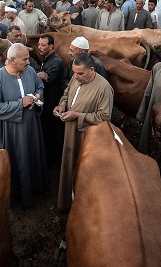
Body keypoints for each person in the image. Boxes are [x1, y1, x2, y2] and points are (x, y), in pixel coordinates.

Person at [0, 43, 49, 208]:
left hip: (32, 128)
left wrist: (37, 96)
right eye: (25, 59)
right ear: (12, 60)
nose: (29, 62)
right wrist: (19, 104)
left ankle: (36, 187)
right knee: (16, 161)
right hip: (11, 132)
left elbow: (40, 87)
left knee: (33, 155)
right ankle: (19, 195)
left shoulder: (30, 72)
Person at [54, 52, 114, 212]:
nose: (76, 76)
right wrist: (62, 105)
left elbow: (104, 117)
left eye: (80, 73)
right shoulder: (76, 77)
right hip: (69, 132)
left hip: (86, 138)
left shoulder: (104, 88)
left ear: (92, 69)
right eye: (74, 72)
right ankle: (66, 201)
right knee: (68, 164)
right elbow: (66, 94)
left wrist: (77, 115)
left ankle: (82, 208)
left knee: (83, 170)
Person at [36, 34, 65, 167]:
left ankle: (52, 161)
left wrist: (32, 74)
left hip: (53, 102)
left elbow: (46, 77)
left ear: (51, 46)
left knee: (51, 130)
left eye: (43, 45)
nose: (39, 47)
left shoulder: (56, 61)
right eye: (39, 45)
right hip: (47, 100)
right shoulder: (46, 58)